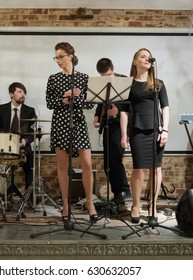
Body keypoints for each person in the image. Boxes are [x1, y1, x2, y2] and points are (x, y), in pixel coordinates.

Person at [46, 42, 98, 222]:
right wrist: (65, 99)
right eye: (56, 57)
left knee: (87, 165)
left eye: (61, 56)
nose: (58, 60)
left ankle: (90, 203)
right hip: (60, 122)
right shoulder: (53, 78)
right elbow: (49, 103)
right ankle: (66, 204)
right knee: (63, 167)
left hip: (78, 121)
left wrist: (77, 98)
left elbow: (91, 103)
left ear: (71, 55)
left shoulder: (83, 78)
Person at [120, 48, 170, 223]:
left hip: (156, 130)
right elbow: (124, 111)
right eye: (142, 56)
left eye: (148, 57)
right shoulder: (128, 84)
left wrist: (165, 130)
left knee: (156, 169)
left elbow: (165, 108)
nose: (147, 59)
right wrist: (124, 134)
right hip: (137, 130)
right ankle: (135, 205)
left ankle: (153, 205)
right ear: (135, 61)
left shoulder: (158, 83)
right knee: (138, 168)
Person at [92, 58, 130, 205]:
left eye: (108, 75)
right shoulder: (102, 83)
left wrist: (115, 113)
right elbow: (100, 101)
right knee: (107, 161)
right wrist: (97, 116)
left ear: (113, 69)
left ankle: (123, 190)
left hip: (120, 125)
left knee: (115, 158)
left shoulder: (124, 81)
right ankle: (117, 194)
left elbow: (128, 106)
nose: (106, 79)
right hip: (107, 124)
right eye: (103, 77)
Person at [0, 82, 36, 192]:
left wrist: (25, 141)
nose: (23, 95)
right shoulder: (1, 109)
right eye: (20, 91)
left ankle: (29, 197)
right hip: (5, 145)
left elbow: (33, 132)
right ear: (11, 94)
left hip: (23, 146)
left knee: (30, 164)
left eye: (24, 93)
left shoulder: (30, 111)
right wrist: (8, 139)